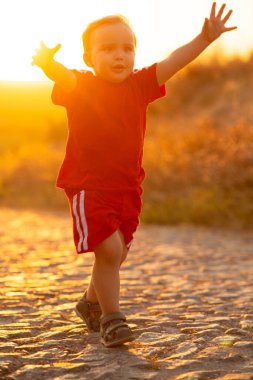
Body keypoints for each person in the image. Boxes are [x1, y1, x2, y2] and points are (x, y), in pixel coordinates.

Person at [32, 2, 236, 348]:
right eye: (107, 48)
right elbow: (62, 74)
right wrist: (47, 62)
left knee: (118, 254)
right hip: (88, 186)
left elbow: (174, 62)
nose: (119, 55)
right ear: (89, 58)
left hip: (127, 187)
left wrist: (204, 39)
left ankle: (89, 302)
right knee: (109, 253)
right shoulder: (81, 85)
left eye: (127, 48)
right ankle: (112, 320)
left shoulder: (140, 85)